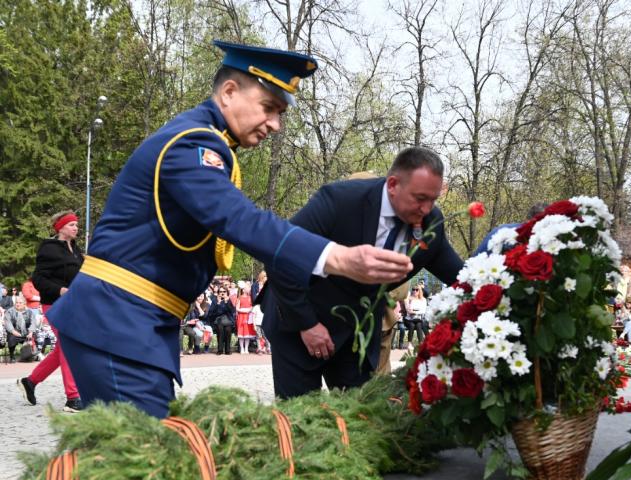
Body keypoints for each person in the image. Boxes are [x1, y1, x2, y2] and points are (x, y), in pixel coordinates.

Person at [46, 41, 412, 419]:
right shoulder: (191, 145)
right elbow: (239, 219)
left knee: (133, 463)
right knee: (143, 460)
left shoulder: (206, 141)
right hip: (118, 322)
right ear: (229, 92)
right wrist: (337, 256)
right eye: (269, 108)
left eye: (281, 113)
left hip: (134, 323)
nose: (275, 124)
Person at [262, 147, 464, 399]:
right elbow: (280, 255)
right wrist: (307, 324)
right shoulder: (339, 200)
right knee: (301, 421)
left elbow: (462, 276)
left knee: (360, 419)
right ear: (393, 185)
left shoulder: (431, 224)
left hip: (355, 338)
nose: (426, 208)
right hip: (300, 321)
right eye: (420, 198)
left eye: (433, 199)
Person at [16, 211, 84, 412]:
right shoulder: (49, 249)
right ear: (61, 227)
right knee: (69, 347)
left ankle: (30, 382)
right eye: (71, 225)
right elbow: (38, 279)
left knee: (62, 349)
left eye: (76, 225)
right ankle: (72, 398)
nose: (76, 228)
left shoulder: (76, 250)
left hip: (74, 305)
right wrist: (60, 290)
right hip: (55, 305)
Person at [4, 297, 36, 362]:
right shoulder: (9, 311)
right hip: (14, 331)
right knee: (11, 338)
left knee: (35, 336)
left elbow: (33, 322)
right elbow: (7, 322)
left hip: (26, 331)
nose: (18, 304)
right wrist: (13, 331)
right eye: (16, 303)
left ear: (24, 304)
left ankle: (31, 355)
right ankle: (12, 356)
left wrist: (31, 332)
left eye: (20, 303)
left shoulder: (29, 312)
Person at [208, 287, 236, 355]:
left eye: (224, 291)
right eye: (220, 291)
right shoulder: (215, 300)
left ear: (227, 293)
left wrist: (226, 302)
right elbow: (211, 313)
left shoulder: (229, 300)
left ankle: (227, 350)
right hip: (218, 320)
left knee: (228, 330)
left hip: (228, 320)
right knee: (220, 329)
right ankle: (220, 350)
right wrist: (218, 303)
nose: (222, 293)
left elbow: (232, 311)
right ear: (218, 293)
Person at [235, 283, 256, 353]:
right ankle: (242, 348)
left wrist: (249, 310)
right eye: (247, 288)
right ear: (243, 290)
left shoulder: (250, 298)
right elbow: (237, 308)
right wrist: (243, 310)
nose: (249, 289)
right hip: (241, 317)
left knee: (247, 334)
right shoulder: (239, 298)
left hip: (248, 317)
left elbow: (252, 307)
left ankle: (246, 348)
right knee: (241, 333)